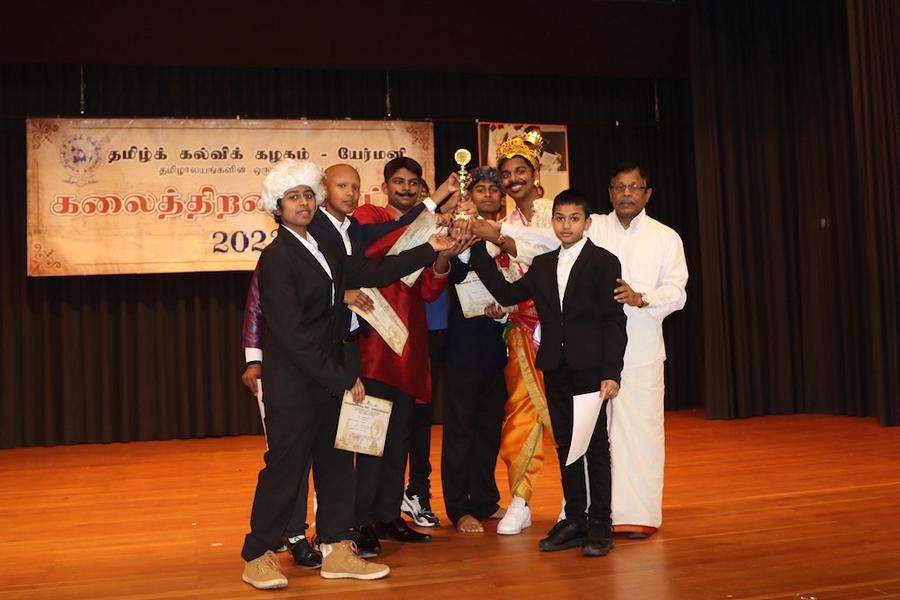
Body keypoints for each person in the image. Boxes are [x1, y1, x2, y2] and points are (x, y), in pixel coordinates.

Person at [240, 159, 455, 590]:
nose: (303, 203)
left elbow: (372, 271)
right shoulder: (278, 256)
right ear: (277, 208)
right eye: (292, 197)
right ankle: (257, 555)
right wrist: (340, 376)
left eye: (307, 195)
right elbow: (291, 333)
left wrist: (430, 249)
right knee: (285, 469)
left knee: (337, 464)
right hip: (294, 383)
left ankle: (337, 547)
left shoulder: (321, 248)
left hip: (326, 377)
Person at [485, 162, 688, 539]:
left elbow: (677, 292)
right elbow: (544, 240)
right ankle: (582, 514)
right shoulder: (593, 227)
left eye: (634, 187)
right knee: (581, 440)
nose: (626, 194)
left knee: (637, 435)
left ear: (647, 193)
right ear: (609, 193)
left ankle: (636, 514)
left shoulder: (665, 237)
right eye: (619, 187)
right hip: (586, 357)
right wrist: (497, 231)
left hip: (641, 350)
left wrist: (642, 298)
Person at [470, 188, 627, 557]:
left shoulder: (604, 262)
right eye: (560, 218)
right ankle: (574, 519)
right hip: (555, 367)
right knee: (566, 444)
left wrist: (612, 372)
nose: (566, 225)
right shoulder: (542, 264)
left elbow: (613, 320)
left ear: (587, 223)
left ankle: (600, 523)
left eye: (574, 218)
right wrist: (477, 249)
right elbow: (507, 294)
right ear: (552, 220)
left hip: (590, 369)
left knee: (595, 447)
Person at [352, 157, 467, 555]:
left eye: (413, 182)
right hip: (373, 346)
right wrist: (430, 214)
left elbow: (430, 290)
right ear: (385, 186)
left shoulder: (428, 226)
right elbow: (377, 249)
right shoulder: (369, 217)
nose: (405, 187)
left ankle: (387, 516)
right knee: (369, 440)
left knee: (399, 438)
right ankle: (360, 523)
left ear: (419, 187)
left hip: (408, 347)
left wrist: (443, 257)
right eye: (398, 181)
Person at [468, 130, 558, 535]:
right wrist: (497, 309)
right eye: (506, 174)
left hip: (563, 330)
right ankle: (520, 499)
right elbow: (501, 281)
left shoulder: (557, 213)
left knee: (572, 415)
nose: (513, 179)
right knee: (521, 415)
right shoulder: (501, 225)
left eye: (520, 171)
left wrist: (502, 239)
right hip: (522, 332)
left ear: (535, 173)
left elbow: (553, 248)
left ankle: (576, 501)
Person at [441, 166, 509, 533]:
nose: (487, 195)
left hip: (496, 345)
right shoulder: (454, 231)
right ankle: (458, 507)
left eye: (493, 190)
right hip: (462, 344)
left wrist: (506, 308)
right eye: (480, 189)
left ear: (501, 199)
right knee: (460, 429)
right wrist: (465, 239)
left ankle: (484, 500)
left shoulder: (509, 238)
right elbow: (447, 275)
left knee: (488, 427)